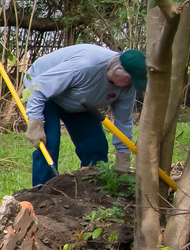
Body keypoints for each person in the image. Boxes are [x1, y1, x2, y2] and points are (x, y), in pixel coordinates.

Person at [23, 44, 145, 188]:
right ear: (119, 70)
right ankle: (42, 191)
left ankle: (92, 191)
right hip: (44, 93)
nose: (132, 87)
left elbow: (123, 123)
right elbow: (39, 88)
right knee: (49, 143)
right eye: (131, 82)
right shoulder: (85, 66)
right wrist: (35, 122)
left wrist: (123, 158)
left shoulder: (127, 89)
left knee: (96, 147)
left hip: (81, 100)